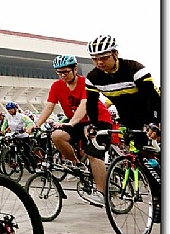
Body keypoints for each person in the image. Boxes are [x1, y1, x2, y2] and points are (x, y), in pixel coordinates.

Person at [33, 55, 114, 206]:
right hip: (77, 122)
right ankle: (77, 164)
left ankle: (101, 194)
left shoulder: (85, 82)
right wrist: (37, 124)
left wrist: (71, 123)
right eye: (59, 73)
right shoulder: (57, 86)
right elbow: (49, 106)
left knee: (94, 154)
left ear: (75, 69)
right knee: (57, 135)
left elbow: (84, 104)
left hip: (98, 120)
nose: (63, 75)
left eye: (66, 72)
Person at [84, 35, 161, 153]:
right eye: (95, 59)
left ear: (115, 54)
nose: (99, 62)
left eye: (104, 57)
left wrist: (154, 122)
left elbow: (152, 98)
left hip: (154, 107)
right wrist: (93, 125)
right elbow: (91, 104)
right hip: (127, 115)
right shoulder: (92, 78)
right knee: (138, 152)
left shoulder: (135, 69)